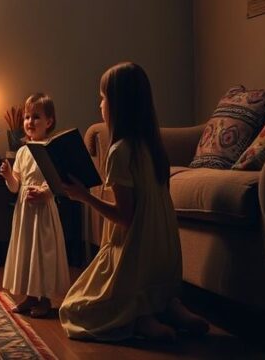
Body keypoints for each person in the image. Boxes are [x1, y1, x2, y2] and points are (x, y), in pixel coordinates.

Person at [58, 62, 208, 341]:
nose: (100, 105)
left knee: (72, 310)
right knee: (151, 290)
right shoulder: (151, 147)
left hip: (135, 254)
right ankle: (170, 308)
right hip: (162, 256)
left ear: (117, 104)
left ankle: (140, 318)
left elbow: (125, 218)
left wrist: (84, 196)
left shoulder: (120, 152)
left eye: (103, 98)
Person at [0, 93, 70, 317]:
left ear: (49, 121)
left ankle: (45, 298)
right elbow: (15, 186)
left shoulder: (52, 149)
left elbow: (58, 180)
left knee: (42, 251)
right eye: (27, 117)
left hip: (43, 211)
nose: (29, 122)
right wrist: (9, 176)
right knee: (26, 250)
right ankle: (29, 296)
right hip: (25, 212)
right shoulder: (21, 151)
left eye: (36, 117)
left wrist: (45, 192)